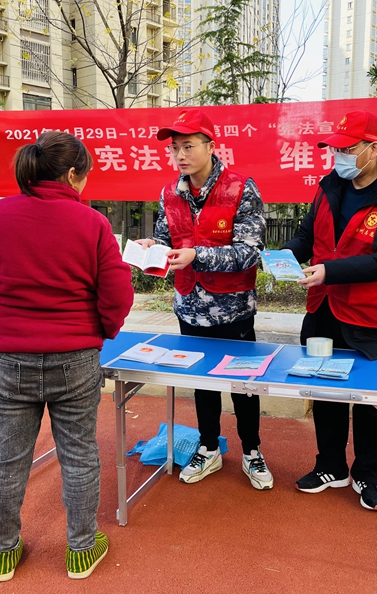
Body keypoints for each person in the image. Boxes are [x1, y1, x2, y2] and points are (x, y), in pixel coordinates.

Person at [0, 131, 134, 582]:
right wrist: (103, 330)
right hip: (76, 357)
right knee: (79, 456)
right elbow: (117, 293)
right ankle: (81, 550)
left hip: (10, 359)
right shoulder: (91, 223)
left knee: (6, 460)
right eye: (84, 174)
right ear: (72, 175)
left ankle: (2, 552)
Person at [283, 110, 377, 511]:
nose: (339, 157)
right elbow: (307, 236)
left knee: (371, 400)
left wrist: (329, 271)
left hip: (374, 316)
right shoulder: (329, 186)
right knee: (325, 391)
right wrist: (285, 256)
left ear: (373, 149)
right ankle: (330, 465)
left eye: (347, 149)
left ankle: (367, 473)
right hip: (324, 309)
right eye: (335, 149)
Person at [136, 108, 272, 490]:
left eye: (188, 146)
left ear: (211, 146)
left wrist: (197, 255)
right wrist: (152, 246)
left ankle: (252, 451)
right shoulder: (169, 192)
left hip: (233, 309)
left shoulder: (241, 187)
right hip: (189, 306)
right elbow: (167, 239)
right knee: (201, 381)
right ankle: (209, 447)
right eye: (174, 148)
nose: (180, 155)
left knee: (244, 384)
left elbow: (250, 252)